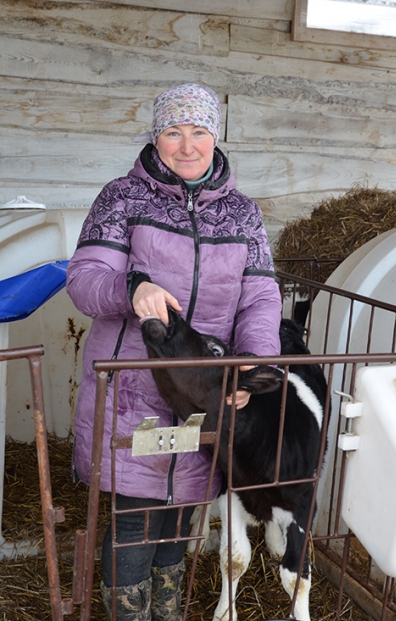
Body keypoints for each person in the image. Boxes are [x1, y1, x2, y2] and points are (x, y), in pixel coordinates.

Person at [66, 83, 282, 621]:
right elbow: (85, 281)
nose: (187, 146)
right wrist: (130, 289)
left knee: (181, 519)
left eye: (199, 132)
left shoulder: (242, 213)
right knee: (135, 523)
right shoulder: (121, 198)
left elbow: (258, 297)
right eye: (173, 132)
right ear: (155, 137)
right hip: (133, 388)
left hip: (204, 394)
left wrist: (252, 361)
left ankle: (166, 614)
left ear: (216, 136)